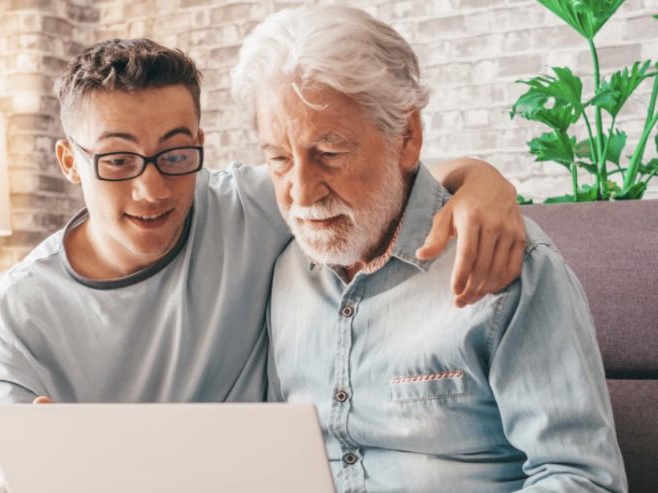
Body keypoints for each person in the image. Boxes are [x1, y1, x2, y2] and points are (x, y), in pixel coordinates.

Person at [0, 38, 525, 491]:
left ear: (199, 145)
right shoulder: (19, 314)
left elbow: (380, 176)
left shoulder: (248, 206)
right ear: (70, 161)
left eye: (176, 155)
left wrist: (481, 181)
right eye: (117, 160)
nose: (151, 187)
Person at [235, 6, 628, 492]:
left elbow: (581, 479)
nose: (301, 192)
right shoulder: (283, 268)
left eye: (330, 154)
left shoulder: (508, 267)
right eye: (277, 158)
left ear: (408, 136)